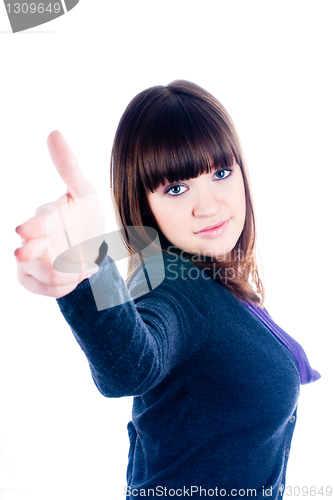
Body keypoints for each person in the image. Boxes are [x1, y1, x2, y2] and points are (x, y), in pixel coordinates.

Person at [14, 80, 321, 499]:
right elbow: (132, 364)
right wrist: (87, 271)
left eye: (221, 172)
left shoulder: (212, 279)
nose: (208, 205)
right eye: (176, 188)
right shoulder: (173, 284)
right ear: (145, 205)